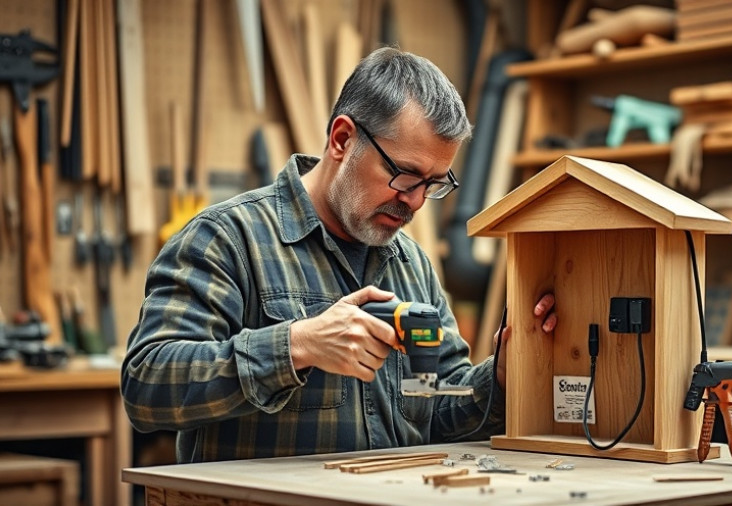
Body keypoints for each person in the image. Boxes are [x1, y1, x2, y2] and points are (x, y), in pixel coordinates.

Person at [121, 46, 557, 464]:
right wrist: (296, 346)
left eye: (434, 184)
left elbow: (436, 412)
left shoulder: (413, 266)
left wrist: (499, 377)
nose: (417, 202)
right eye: (406, 176)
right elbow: (146, 387)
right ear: (342, 139)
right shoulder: (227, 239)